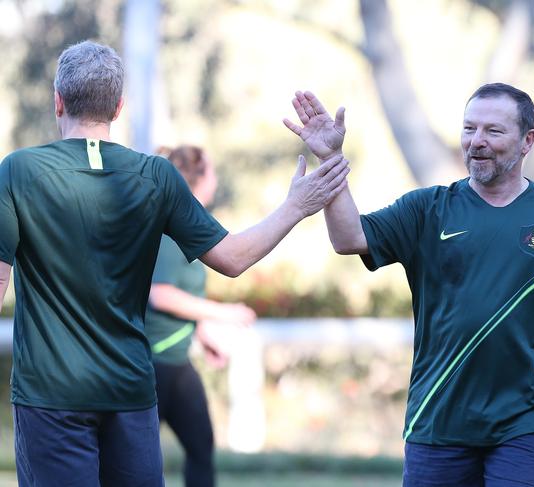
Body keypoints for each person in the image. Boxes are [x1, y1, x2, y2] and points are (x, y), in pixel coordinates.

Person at [0, 40, 349, 487]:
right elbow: (233, 258)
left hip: (50, 396)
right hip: (130, 391)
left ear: (58, 101)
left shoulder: (19, 171)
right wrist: (296, 206)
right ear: (119, 106)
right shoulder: (156, 175)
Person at [283, 84, 534, 487]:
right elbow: (349, 238)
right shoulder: (427, 208)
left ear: (527, 141)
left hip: (529, 414)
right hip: (438, 414)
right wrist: (331, 158)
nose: (477, 142)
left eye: (493, 131)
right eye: (469, 129)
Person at [145, 145, 257, 487]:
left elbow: (183, 295)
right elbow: (159, 293)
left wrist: (203, 334)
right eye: (211, 170)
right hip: (152, 362)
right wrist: (224, 313)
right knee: (137, 462)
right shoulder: (169, 228)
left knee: (200, 447)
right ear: (198, 178)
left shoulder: (192, 225)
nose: (216, 177)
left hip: (177, 361)